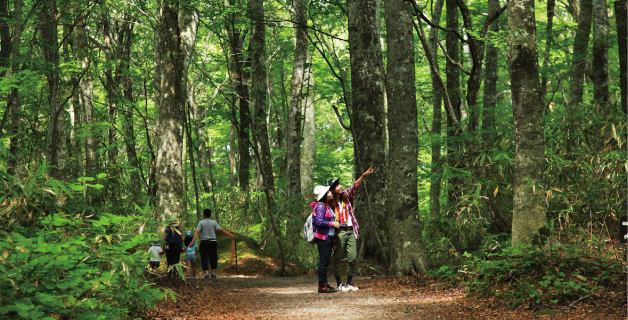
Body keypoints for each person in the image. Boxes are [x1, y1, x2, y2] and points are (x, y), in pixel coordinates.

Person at [329, 165, 374, 292]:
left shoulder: (346, 197)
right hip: (339, 232)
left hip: (351, 230)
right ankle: (339, 284)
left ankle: (348, 283)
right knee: (337, 257)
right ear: (332, 189)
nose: (340, 186)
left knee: (352, 257)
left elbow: (355, 186)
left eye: (340, 184)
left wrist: (363, 175)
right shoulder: (331, 203)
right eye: (337, 185)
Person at [190, 209, 236, 279]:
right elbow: (221, 229)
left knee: (204, 257)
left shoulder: (201, 222)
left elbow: (197, 232)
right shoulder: (214, 222)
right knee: (213, 256)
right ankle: (213, 273)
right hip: (213, 242)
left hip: (204, 242)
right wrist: (230, 235)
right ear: (210, 215)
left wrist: (193, 241)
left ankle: (206, 274)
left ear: (203, 214)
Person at [312, 185, 340, 293]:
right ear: (323, 195)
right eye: (328, 192)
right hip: (322, 237)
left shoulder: (326, 205)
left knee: (326, 261)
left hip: (327, 236)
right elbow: (319, 222)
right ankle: (321, 286)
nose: (331, 193)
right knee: (324, 261)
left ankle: (325, 283)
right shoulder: (320, 206)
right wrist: (332, 223)